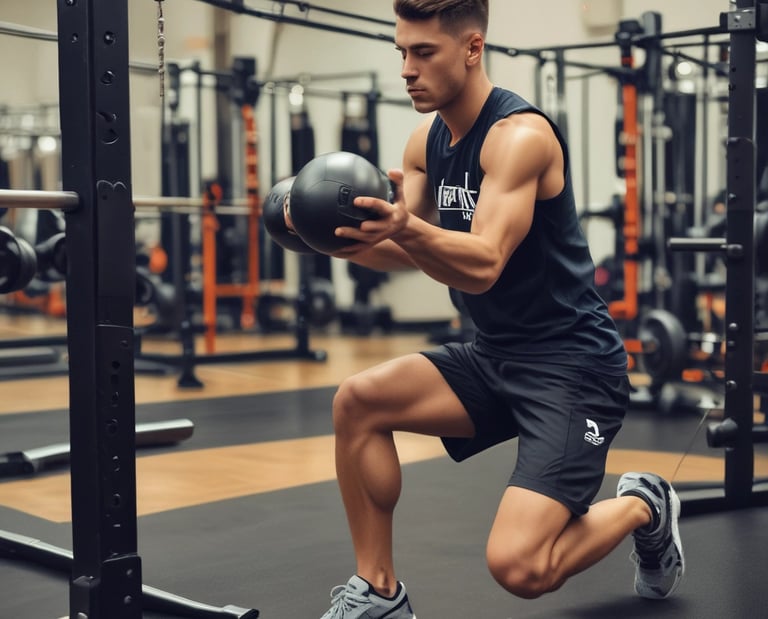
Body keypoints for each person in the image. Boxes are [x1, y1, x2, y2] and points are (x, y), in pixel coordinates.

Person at [310, 1, 685, 617]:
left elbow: (483, 262)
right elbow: (404, 249)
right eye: (401, 52)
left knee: (521, 567)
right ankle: (379, 593)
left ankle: (645, 505)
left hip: (573, 369)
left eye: (423, 52)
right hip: (494, 356)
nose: (407, 69)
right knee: (358, 401)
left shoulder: (519, 138)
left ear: (472, 48)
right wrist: (323, 234)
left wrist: (404, 226)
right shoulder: (425, 142)